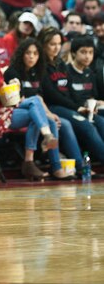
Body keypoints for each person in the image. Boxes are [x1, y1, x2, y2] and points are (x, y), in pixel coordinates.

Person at [0, 31, 59, 181]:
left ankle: (31, 158)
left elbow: (5, 98)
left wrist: (13, 88)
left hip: (3, 109)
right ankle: (37, 150)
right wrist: (3, 84)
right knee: (35, 105)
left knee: (35, 106)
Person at [3, 38, 77, 179]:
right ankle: (47, 139)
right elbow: (18, 100)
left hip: (31, 111)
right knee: (37, 107)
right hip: (11, 112)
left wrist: (49, 113)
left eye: (35, 53)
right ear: (21, 54)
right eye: (28, 53)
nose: (32, 57)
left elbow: (40, 98)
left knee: (49, 120)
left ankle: (54, 167)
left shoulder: (36, 72)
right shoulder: (12, 72)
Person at [39, 27, 104, 174]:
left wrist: (82, 106)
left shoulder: (60, 64)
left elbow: (70, 90)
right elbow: (52, 95)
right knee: (85, 125)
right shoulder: (41, 66)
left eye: (58, 44)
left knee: (99, 121)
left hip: (68, 105)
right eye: (52, 44)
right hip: (53, 107)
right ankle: (81, 166)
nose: (56, 48)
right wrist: (77, 108)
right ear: (44, 45)